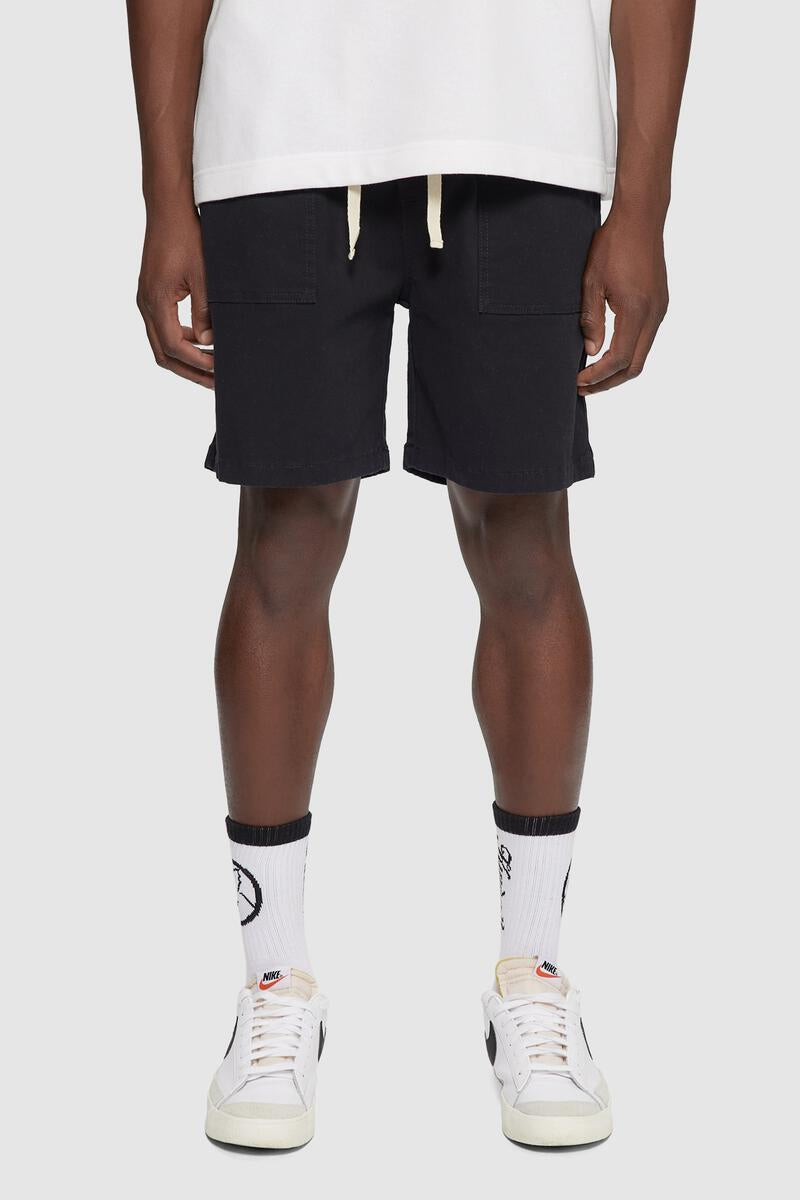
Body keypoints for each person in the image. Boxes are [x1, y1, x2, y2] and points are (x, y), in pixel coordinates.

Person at [127, 0, 694, 1150]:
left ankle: (531, 976)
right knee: (284, 536)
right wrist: (162, 198)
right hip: (280, 133)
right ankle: (272, 982)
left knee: (523, 537)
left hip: (520, 134)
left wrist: (641, 206)